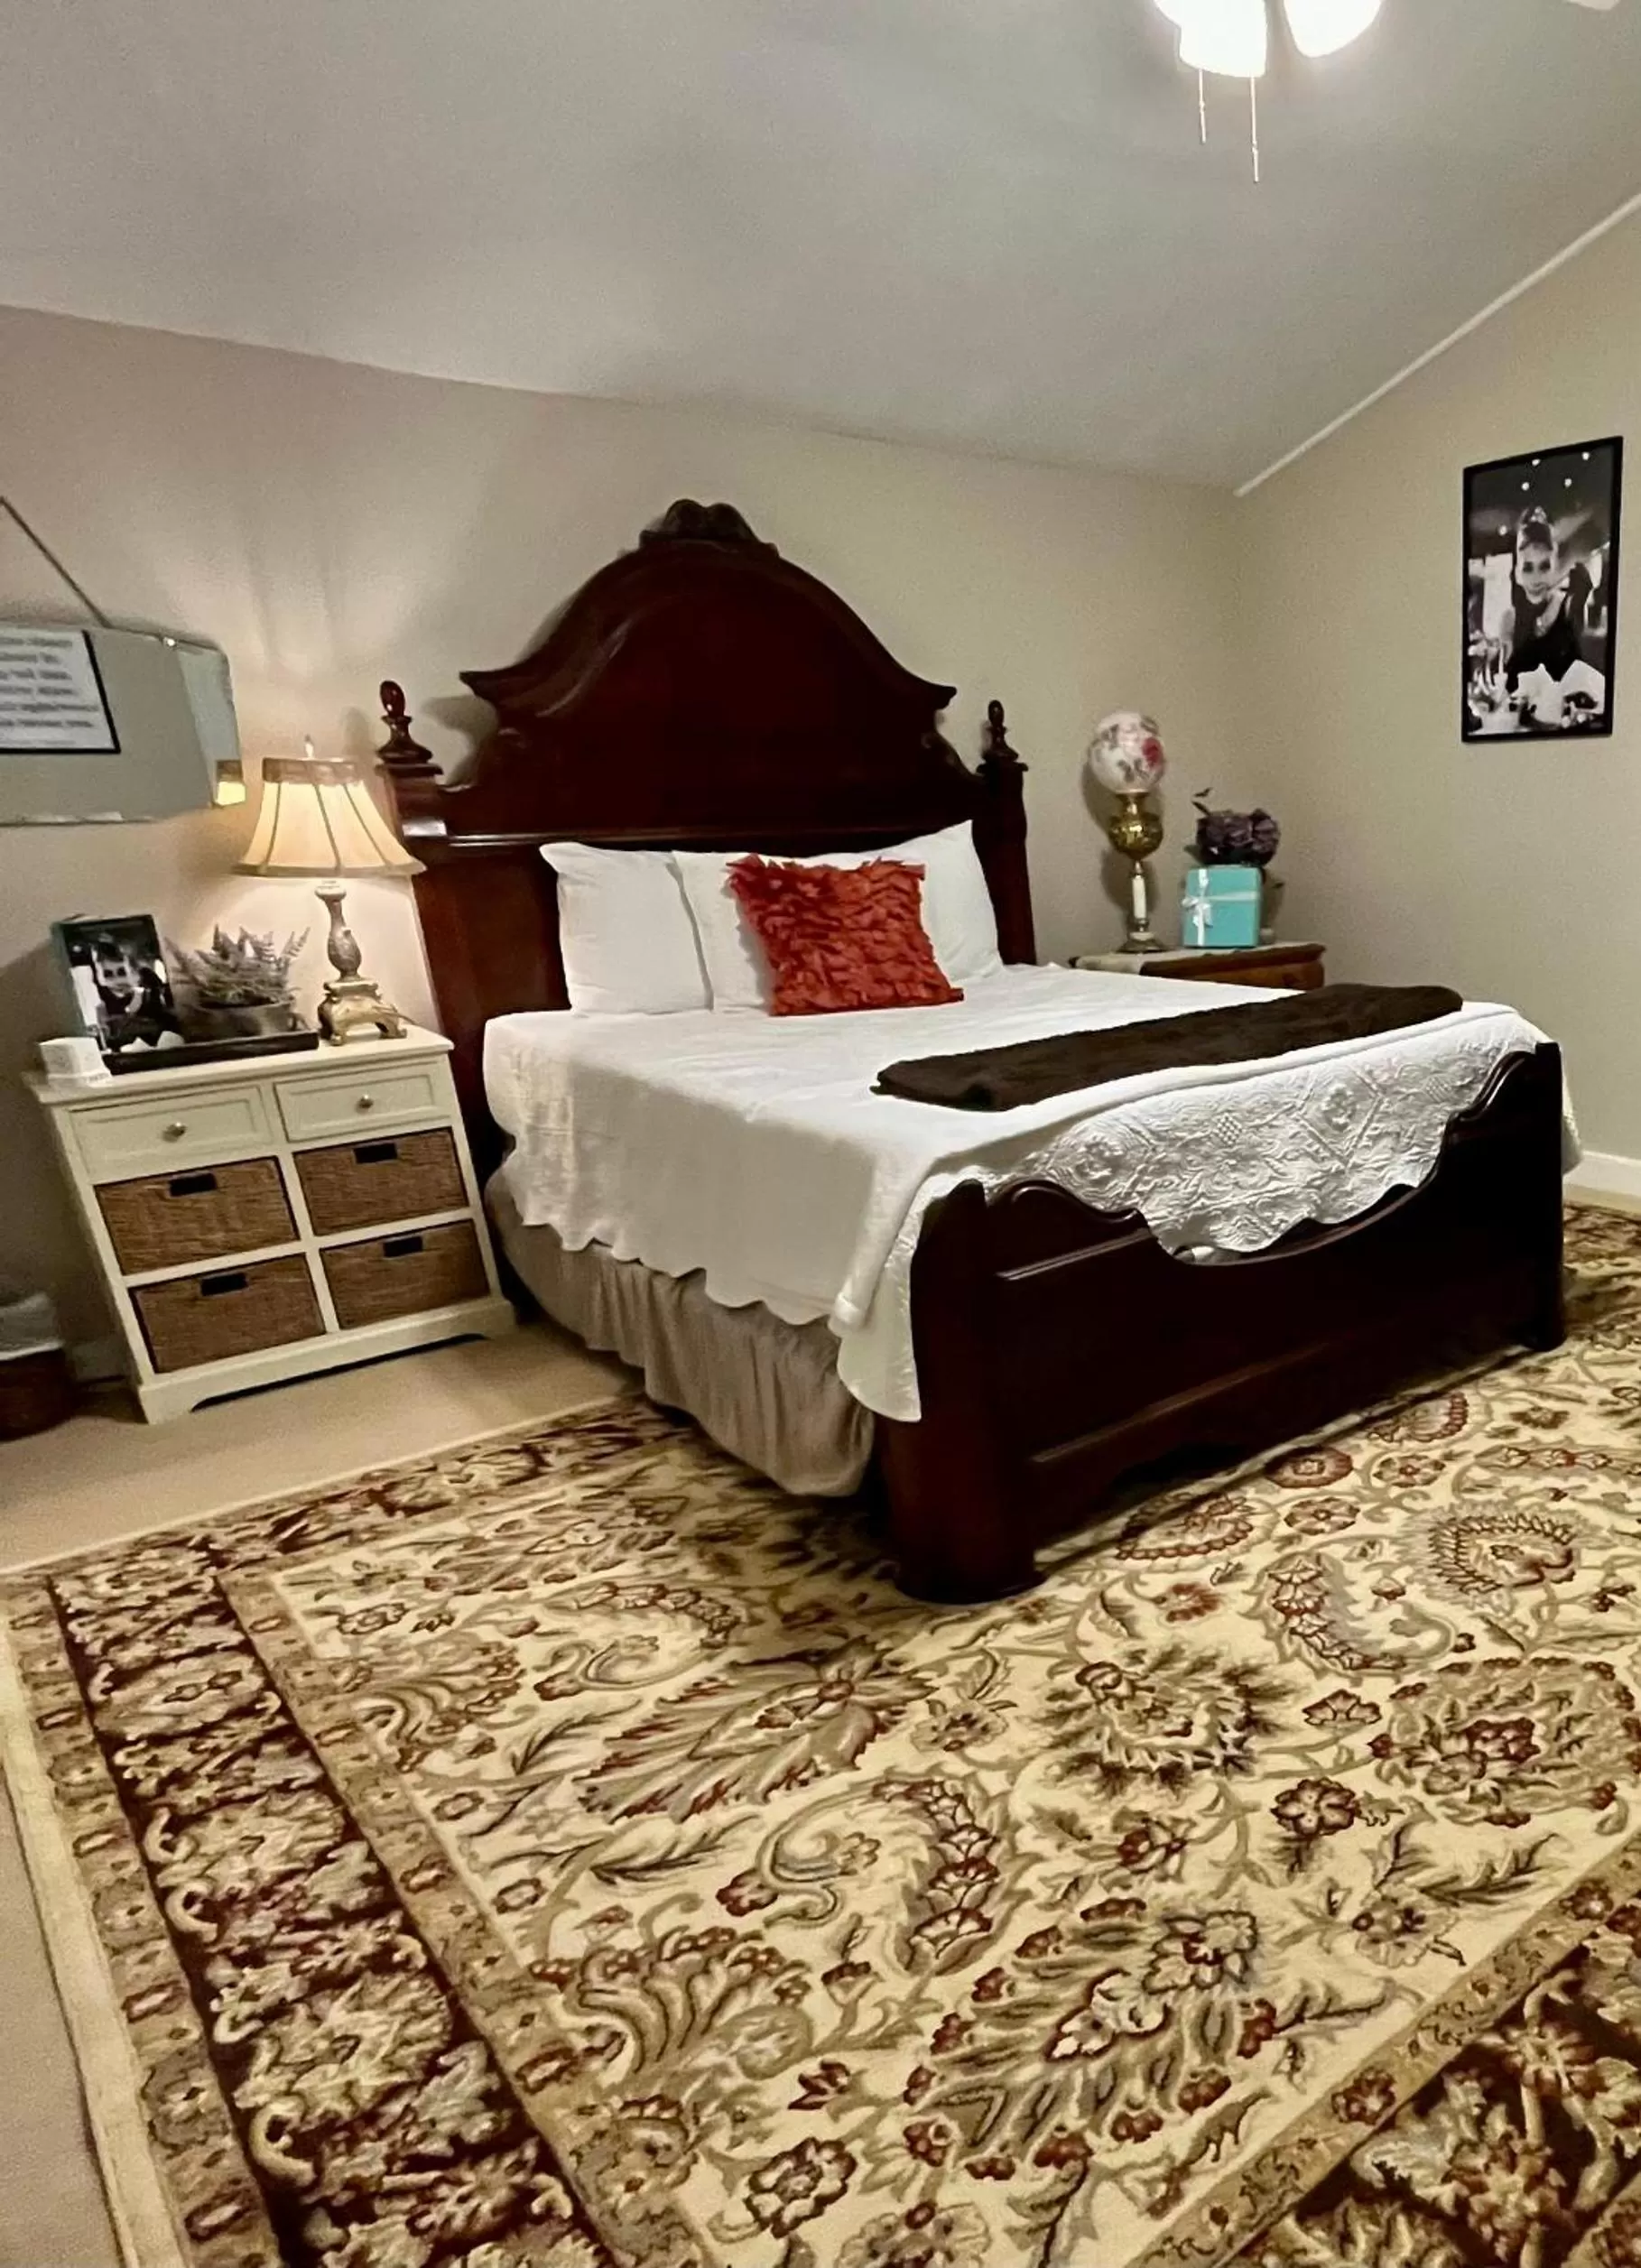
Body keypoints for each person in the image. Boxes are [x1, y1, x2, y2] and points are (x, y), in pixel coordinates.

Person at [1502, 506, 1599, 696]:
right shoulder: (1509, 619)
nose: (1537, 578)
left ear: (1555, 565)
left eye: (1544, 566)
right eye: (1528, 568)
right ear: (1516, 571)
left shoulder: (1570, 604)